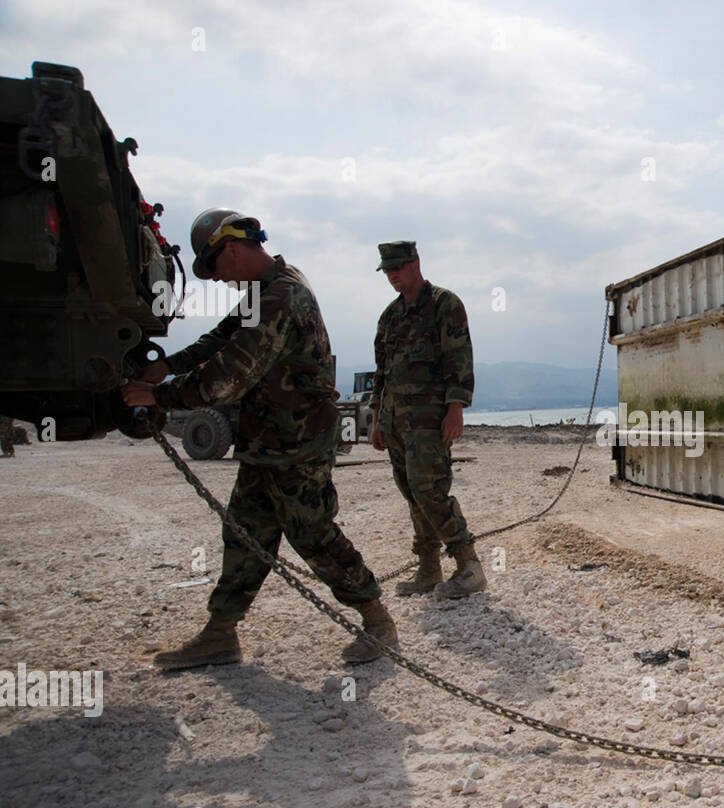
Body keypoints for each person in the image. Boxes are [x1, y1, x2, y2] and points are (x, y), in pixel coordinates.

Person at [121, 208, 398, 669]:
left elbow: (227, 377)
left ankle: (377, 619)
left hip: (298, 443)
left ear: (231, 249)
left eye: (218, 270)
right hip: (268, 440)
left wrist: (159, 397)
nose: (222, 281)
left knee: (312, 534)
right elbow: (222, 336)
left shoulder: (280, 297)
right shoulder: (268, 287)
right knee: (245, 533)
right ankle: (220, 634)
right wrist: (169, 365)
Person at [371, 241, 486, 598]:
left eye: (398, 268)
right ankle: (429, 568)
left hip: (429, 421)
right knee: (412, 494)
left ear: (416, 263)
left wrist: (456, 408)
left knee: (430, 491)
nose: (392, 275)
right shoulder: (389, 317)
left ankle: (469, 566)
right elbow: (382, 372)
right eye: (387, 270)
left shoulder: (444, 305)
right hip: (395, 422)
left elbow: (459, 359)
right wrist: (376, 419)